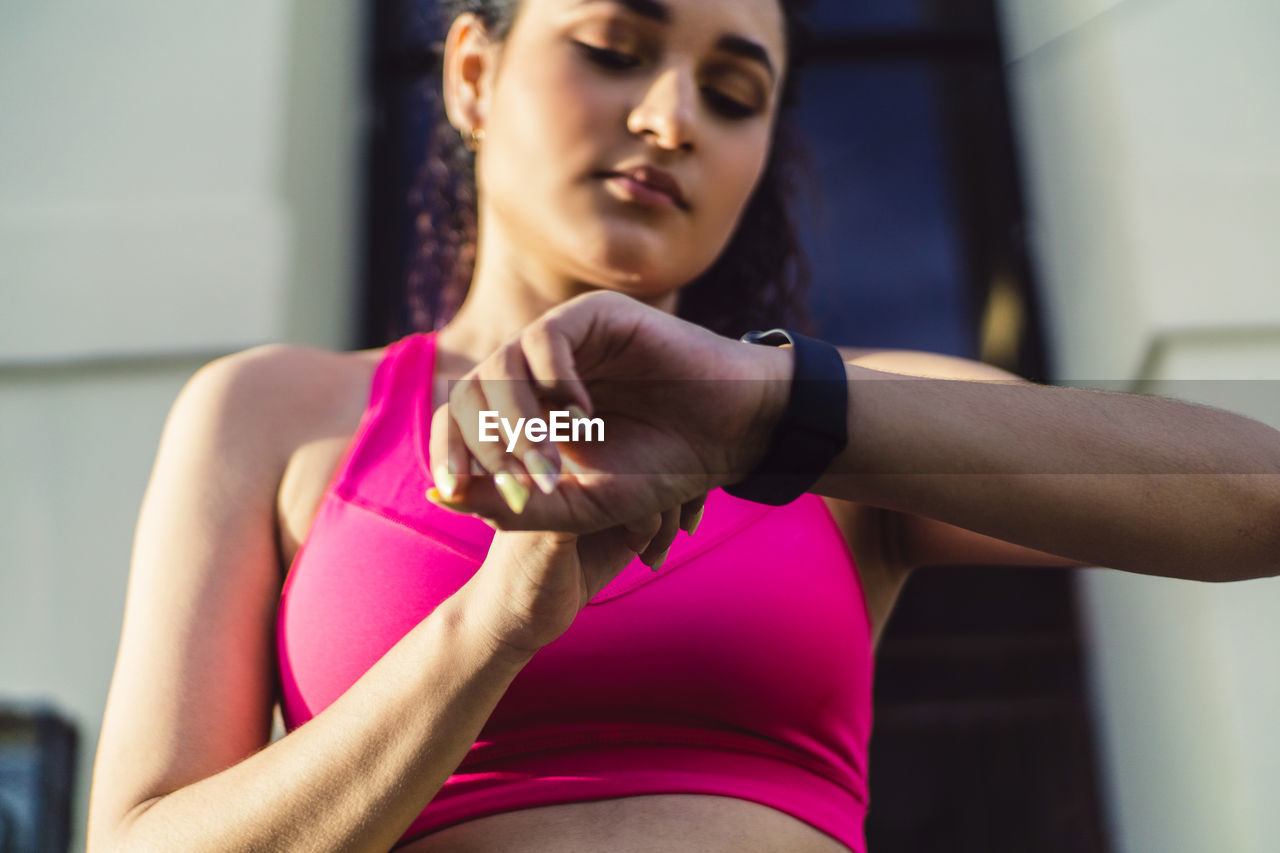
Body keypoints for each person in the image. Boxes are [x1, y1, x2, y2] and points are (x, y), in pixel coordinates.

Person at [85, 0, 1280, 851]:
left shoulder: (832, 422)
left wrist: (769, 407)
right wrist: (493, 623)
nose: (670, 118)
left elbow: (1259, 502)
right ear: (470, 74)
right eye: (613, 47)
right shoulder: (275, 413)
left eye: (733, 90)